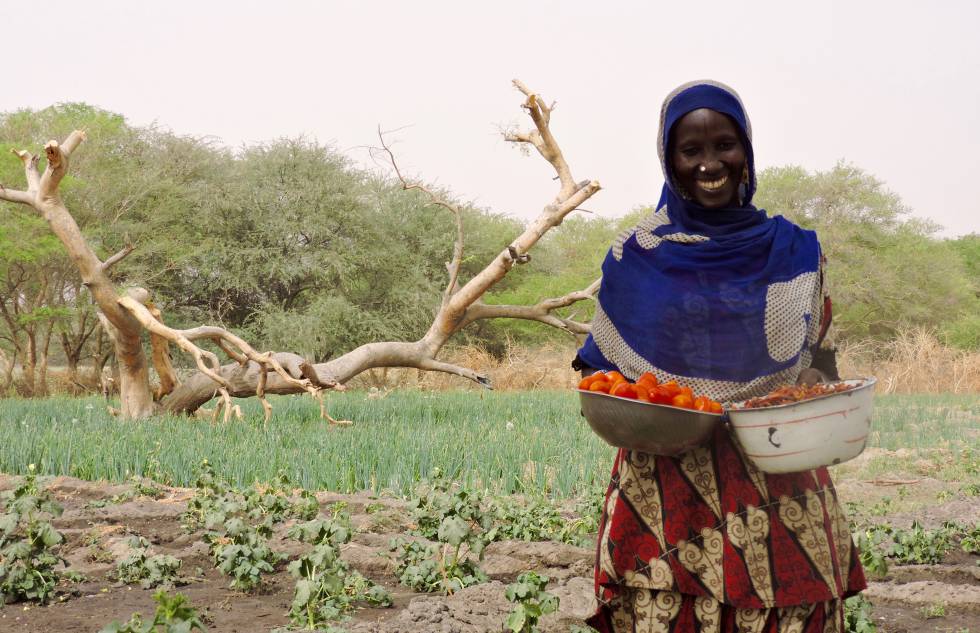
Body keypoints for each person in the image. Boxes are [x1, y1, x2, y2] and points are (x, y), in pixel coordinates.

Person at [574, 80, 866, 632]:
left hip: (777, 473)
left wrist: (812, 387)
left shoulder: (795, 248)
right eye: (691, 150)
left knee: (793, 615)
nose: (710, 163)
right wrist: (653, 405)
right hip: (666, 482)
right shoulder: (636, 254)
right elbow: (601, 369)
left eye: (724, 145)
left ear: (747, 151)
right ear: (669, 159)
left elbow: (817, 362)